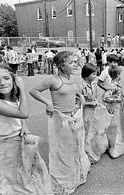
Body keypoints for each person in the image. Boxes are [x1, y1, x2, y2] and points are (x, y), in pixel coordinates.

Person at [29, 51, 90, 194]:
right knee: (62, 150)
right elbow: (33, 91)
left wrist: (79, 96)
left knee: (75, 146)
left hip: (74, 117)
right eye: (71, 62)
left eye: (75, 62)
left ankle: (75, 172)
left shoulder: (72, 77)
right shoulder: (53, 80)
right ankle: (65, 177)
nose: (75, 64)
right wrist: (47, 102)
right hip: (59, 120)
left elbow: (72, 91)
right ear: (62, 65)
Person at [0, 64, 52, 194]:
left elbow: (18, 112)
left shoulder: (11, 97)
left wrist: (24, 125)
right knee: (4, 184)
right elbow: (23, 113)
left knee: (21, 180)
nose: (2, 83)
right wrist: (22, 88)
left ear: (13, 79)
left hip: (15, 142)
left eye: (6, 78)